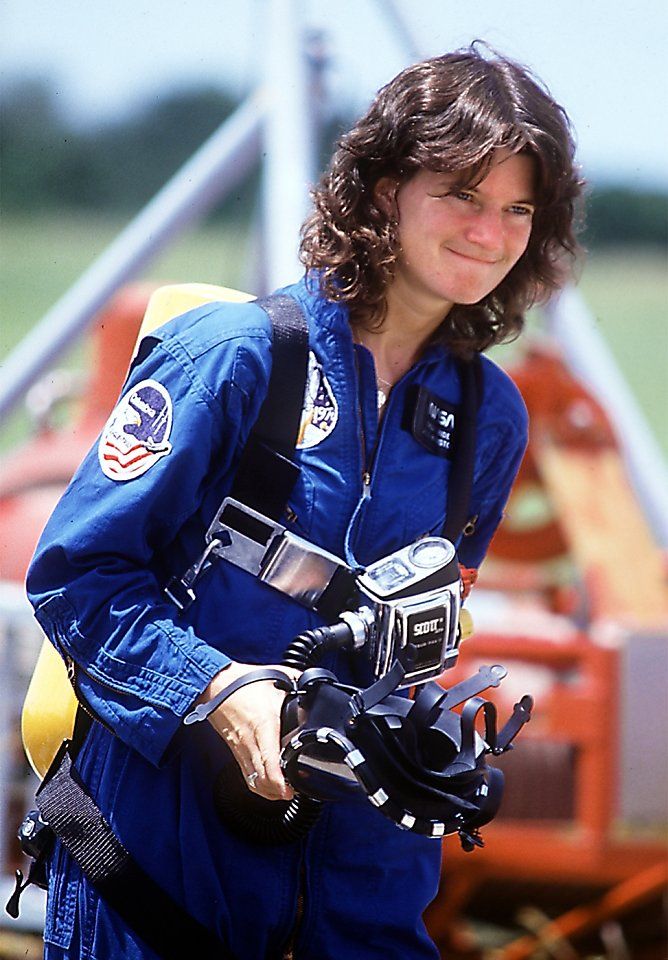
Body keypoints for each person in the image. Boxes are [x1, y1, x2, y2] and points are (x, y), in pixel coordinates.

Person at [26, 45, 582, 960]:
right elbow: (79, 578)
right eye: (462, 195)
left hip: (365, 871)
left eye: (519, 209)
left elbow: (430, 630)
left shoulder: (490, 418)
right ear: (379, 191)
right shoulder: (234, 357)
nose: (492, 232)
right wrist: (222, 692)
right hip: (160, 850)